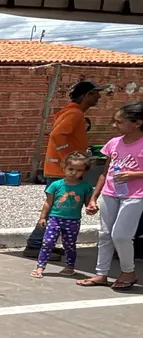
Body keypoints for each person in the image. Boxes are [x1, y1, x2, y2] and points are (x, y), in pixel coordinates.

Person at [25, 80, 106, 258]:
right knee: (58, 208)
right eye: (95, 94)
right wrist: (68, 161)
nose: (99, 98)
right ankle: (36, 244)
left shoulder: (70, 112)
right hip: (62, 171)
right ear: (86, 95)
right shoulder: (75, 114)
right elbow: (56, 135)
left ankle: (44, 243)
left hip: (61, 169)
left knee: (60, 207)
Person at [78, 101, 143, 292]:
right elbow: (105, 173)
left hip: (135, 195)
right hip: (110, 193)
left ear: (137, 123)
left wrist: (134, 175)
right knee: (105, 234)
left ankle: (128, 271)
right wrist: (93, 197)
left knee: (121, 235)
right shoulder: (113, 143)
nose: (115, 126)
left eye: (119, 122)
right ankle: (101, 273)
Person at [31, 152, 93, 279]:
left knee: (70, 245)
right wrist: (42, 217)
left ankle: (70, 266)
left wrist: (91, 208)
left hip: (73, 221)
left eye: (79, 170)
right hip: (55, 218)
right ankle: (40, 267)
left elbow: (88, 203)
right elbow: (48, 202)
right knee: (47, 242)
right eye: (70, 169)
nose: (73, 173)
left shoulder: (86, 187)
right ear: (64, 168)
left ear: (84, 172)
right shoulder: (56, 185)